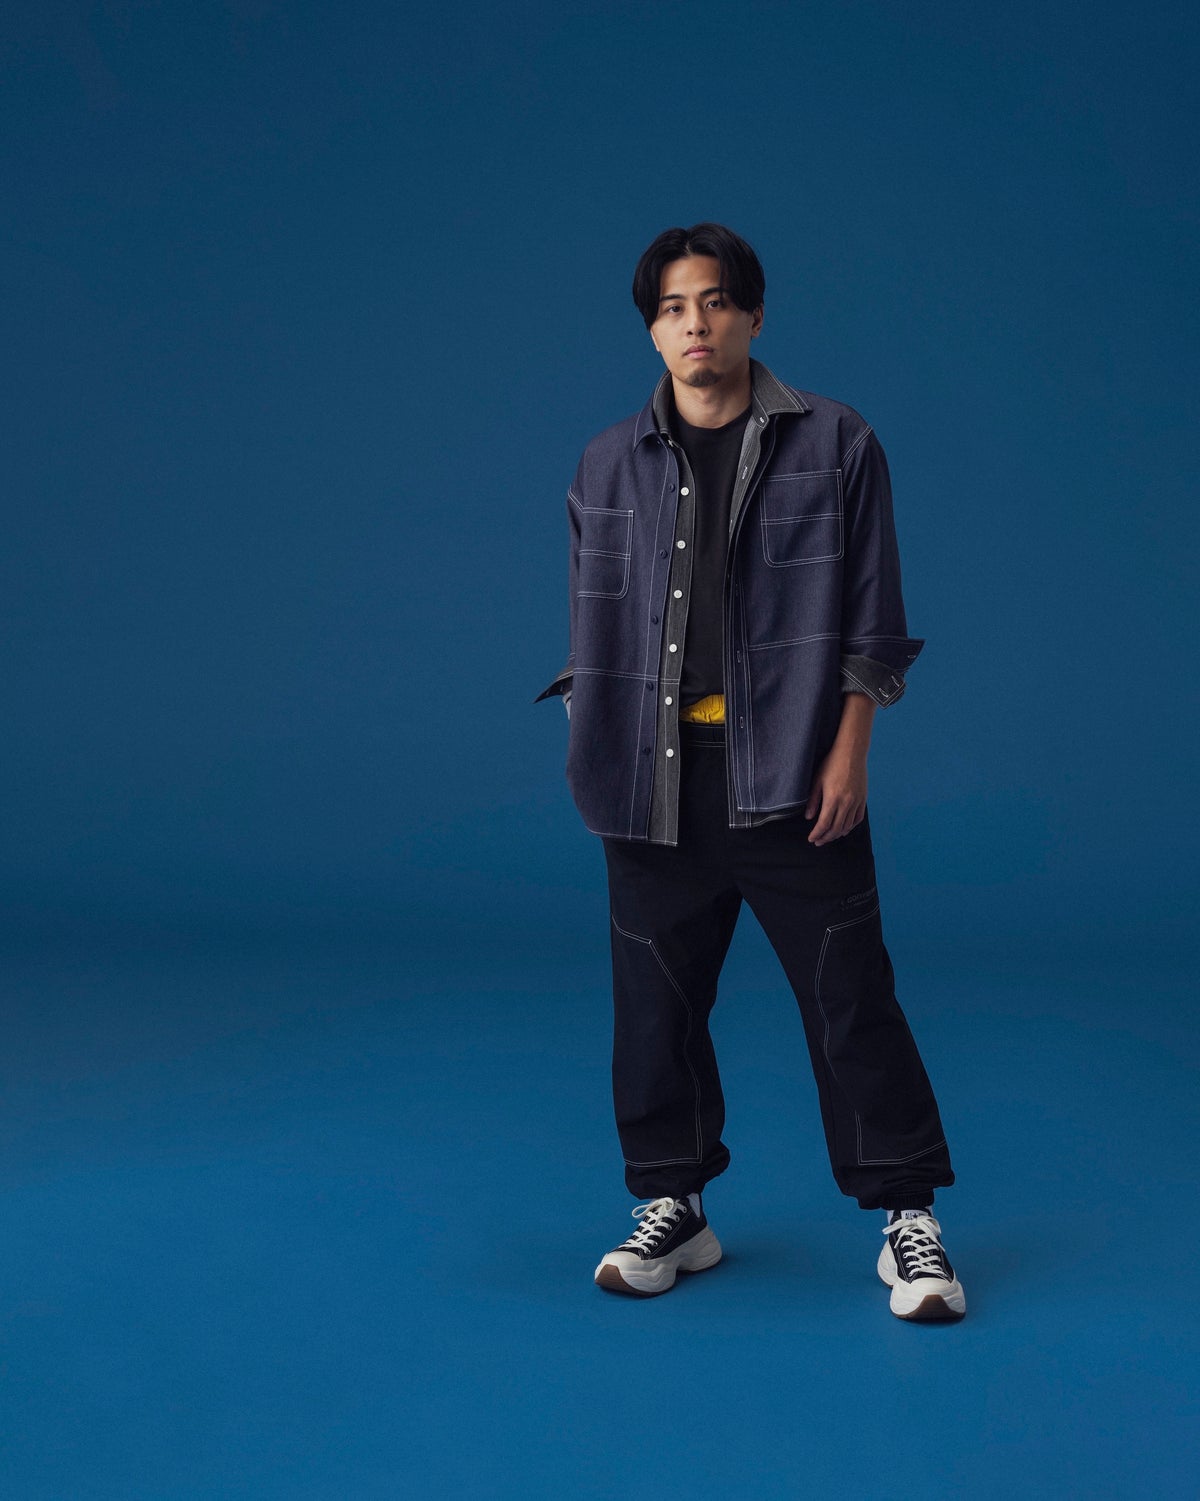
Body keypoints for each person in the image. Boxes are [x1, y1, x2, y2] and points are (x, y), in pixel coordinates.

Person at [536, 223, 964, 1321]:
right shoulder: (605, 461)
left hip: (789, 775)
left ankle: (907, 1216)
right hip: (652, 782)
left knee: (850, 999)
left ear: (755, 315)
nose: (697, 324)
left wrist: (849, 753)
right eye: (674, 307)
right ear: (652, 328)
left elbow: (874, 621)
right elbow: (595, 622)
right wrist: (591, 724)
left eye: (717, 301)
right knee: (654, 1011)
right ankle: (674, 1204)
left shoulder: (837, 441)